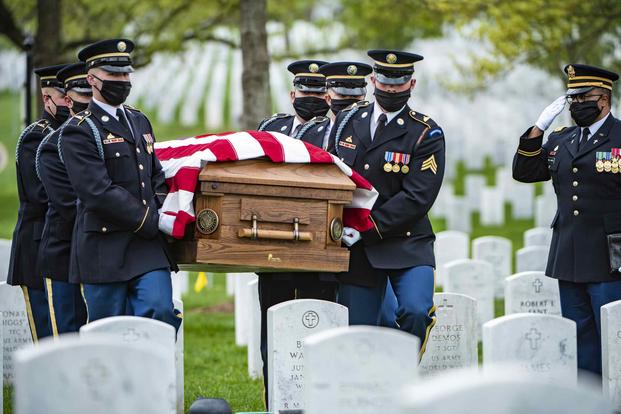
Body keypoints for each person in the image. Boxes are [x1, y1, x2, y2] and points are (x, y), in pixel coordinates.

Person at [327, 50, 445, 358]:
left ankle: (402, 375)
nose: (391, 88)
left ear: (411, 83)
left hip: (405, 243)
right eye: (384, 81)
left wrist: (365, 227)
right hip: (358, 249)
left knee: (416, 311)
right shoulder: (347, 122)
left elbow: (418, 197)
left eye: (399, 82)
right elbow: (331, 174)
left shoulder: (425, 132)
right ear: (372, 80)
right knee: (359, 331)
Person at [59, 38, 180, 331]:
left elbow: (155, 175)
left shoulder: (139, 121)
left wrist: (165, 209)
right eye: (114, 75)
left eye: (126, 74)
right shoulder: (79, 131)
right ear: (92, 78)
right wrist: (151, 219)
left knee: (160, 312)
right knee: (109, 332)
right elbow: (96, 192)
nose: (122, 81)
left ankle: (152, 378)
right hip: (104, 247)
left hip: (146, 249)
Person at [513, 63, 621, 376]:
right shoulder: (562, 138)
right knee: (580, 338)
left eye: (583, 97)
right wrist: (537, 130)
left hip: (609, 255)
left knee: (612, 339)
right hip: (569, 252)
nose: (576, 105)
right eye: (572, 99)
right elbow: (525, 172)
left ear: (603, 98)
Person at [255, 59, 335, 405]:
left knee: (317, 319)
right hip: (273, 239)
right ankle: (277, 398)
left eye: (319, 91)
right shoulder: (272, 125)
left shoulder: (334, 130)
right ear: (292, 94)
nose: (312, 97)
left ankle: (318, 399)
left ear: (328, 96)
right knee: (272, 325)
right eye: (305, 91)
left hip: (315, 240)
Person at [8, 63, 71, 341]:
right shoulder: (38, 135)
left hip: (61, 241)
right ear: (47, 99)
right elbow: (43, 194)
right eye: (64, 97)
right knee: (48, 334)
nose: (71, 103)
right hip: (37, 246)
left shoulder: (72, 130)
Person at [36, 62, 91, 335]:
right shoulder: (49, 144)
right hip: (65, 251)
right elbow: (68, 204)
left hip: (98, 251)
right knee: (68, 333)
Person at [294, 61, 372, 150]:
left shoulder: (372, 131)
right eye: (342, 95)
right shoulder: (309, 132)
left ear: (364, 97)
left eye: (355, 96)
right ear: (328, 99)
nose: (350, 101)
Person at [258, 59, 330, 137]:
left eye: (318, 93)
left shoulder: (335, 134)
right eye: (305, 92)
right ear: (292, 96)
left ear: (329, 98)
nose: (312, 97)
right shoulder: (271, 127)